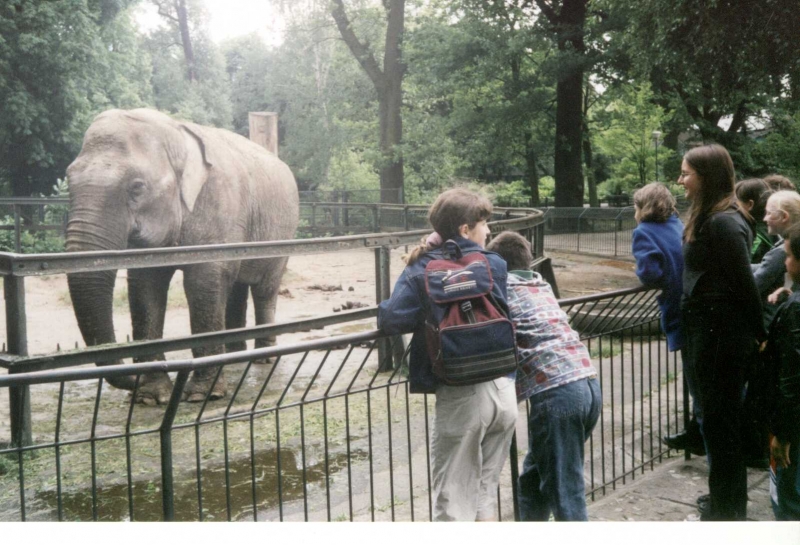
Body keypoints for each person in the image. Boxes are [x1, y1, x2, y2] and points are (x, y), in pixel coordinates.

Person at [377, 187, 518, 521]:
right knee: (484, 493)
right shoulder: (494, 264)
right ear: (465, 229)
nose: (489, 231)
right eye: (484, 223)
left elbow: (392, 318)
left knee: (452, 501)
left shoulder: (422, 269)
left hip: (461, 395)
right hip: (503, 390)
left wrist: (425, 254)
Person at [678, 144, 766, 521]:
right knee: (717, 425)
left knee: (722, 427)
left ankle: (728, 512)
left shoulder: (724, 221)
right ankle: (723, 502)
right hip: (710, 333)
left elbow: (744, 285)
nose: (681, 179)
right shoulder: (714, 217)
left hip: (721, 339)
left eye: (686, 173)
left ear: (707, 176)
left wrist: (758, 334)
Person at [486, 230, 600, 521]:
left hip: (557, 394)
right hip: (588, 385)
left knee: (565, 494)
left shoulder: (500, 289)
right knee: (534, 481)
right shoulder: (540, 284)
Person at [630, 183, 703, 454]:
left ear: (641, 207)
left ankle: (704, 438)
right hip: (694, 305)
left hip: (678, 309)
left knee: (697, 381)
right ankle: (697, 432)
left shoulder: (643, 232)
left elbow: (649, 272)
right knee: (699, 378)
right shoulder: (678, 225)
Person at [766, 223, 800, 520]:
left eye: (788, 256)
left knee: (788, 500)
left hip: (794, 430)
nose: (785, 262)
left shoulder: (797, 310)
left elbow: (792, 377)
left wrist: (782, 433)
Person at [735, 178, 774, 264]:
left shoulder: (757, 237)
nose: (733, 208)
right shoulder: (769, 227)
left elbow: (746, 265)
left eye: (736, 203)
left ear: (750, 204)